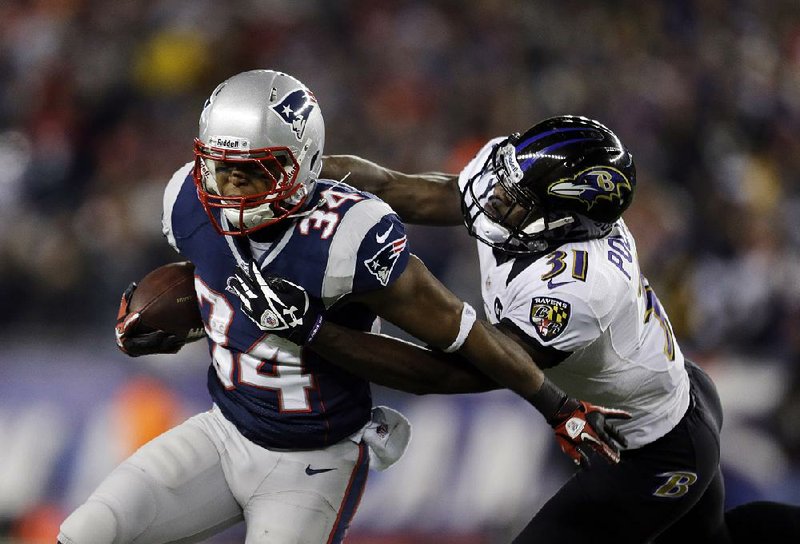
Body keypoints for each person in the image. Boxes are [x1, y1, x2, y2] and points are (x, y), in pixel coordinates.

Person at [57, 72, 627, 544]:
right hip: (222, 431)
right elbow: (213, 277)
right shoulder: (185, 196)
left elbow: (459, 337)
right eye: (219, 165)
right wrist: (173, 315)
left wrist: (555, 405)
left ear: (302, 165)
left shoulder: (350, 234)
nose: (228, 186)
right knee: (85, 532)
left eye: (250, 170)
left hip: (313, 462)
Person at [258, 115, 800, 543]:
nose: (495, 198)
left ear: (566, 221)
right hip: (670, 399)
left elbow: (451, 371)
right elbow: (405, 190)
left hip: (653, 448)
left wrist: (315, 332)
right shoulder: (522, 184)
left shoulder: (577, 289)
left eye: (517, 200)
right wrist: (285, 176)